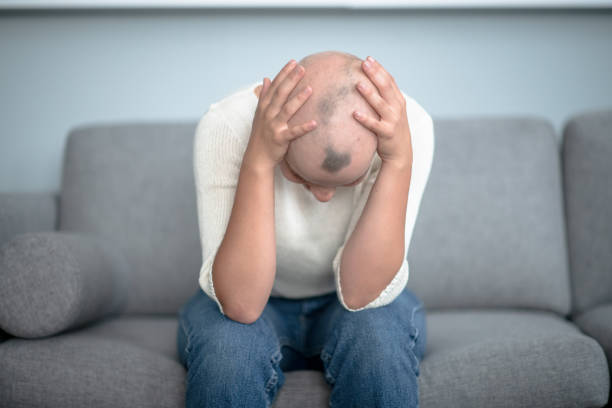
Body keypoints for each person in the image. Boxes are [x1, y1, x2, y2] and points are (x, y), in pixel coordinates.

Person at [177, 50, 435, 408]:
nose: (324, 196)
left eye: (346, 183)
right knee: (226, 358)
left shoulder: (407, 127)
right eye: (301, 176)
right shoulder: (226, 124)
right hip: (255, 299)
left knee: (378, 350)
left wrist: (398, 161)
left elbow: (362, 295)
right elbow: (242, 304)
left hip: (352, 302)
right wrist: (259, 160)